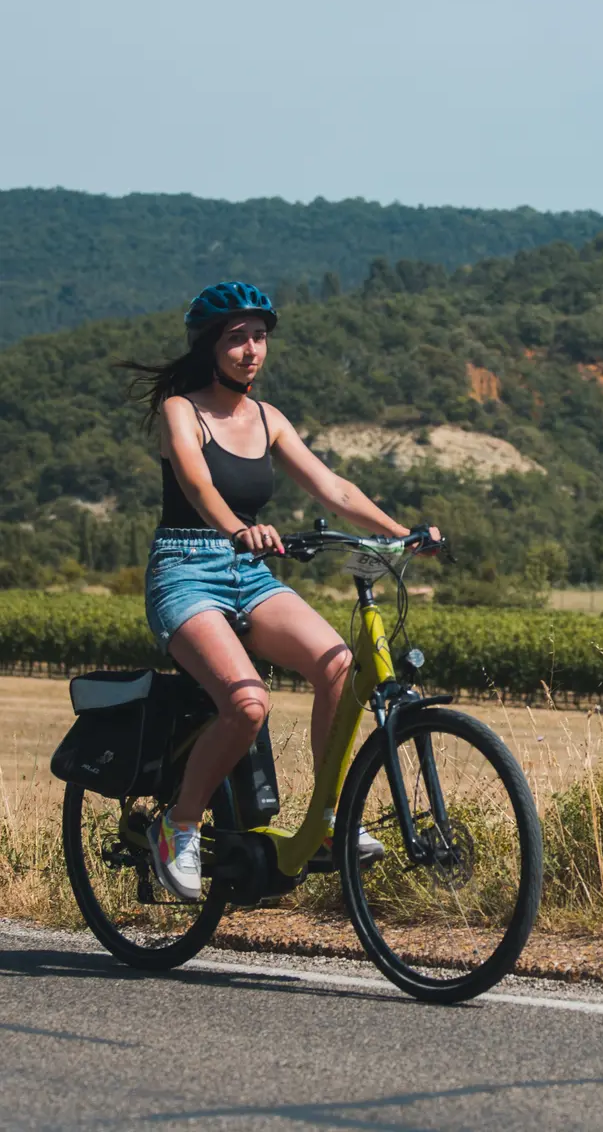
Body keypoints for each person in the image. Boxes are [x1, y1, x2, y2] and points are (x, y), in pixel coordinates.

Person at [123, 281, 437, 900]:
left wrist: (403, 535)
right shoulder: (181, 412)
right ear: (210, 345)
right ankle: (178, 826)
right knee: (247, 705)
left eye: (258, 337)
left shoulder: (269, 420)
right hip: (186, 571)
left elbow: (334, 490)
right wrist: (238, 529)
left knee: (340, 666)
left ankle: (324, 824)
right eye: (236, 338)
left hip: (250, 575)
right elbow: (194, 483)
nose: (250, 350)